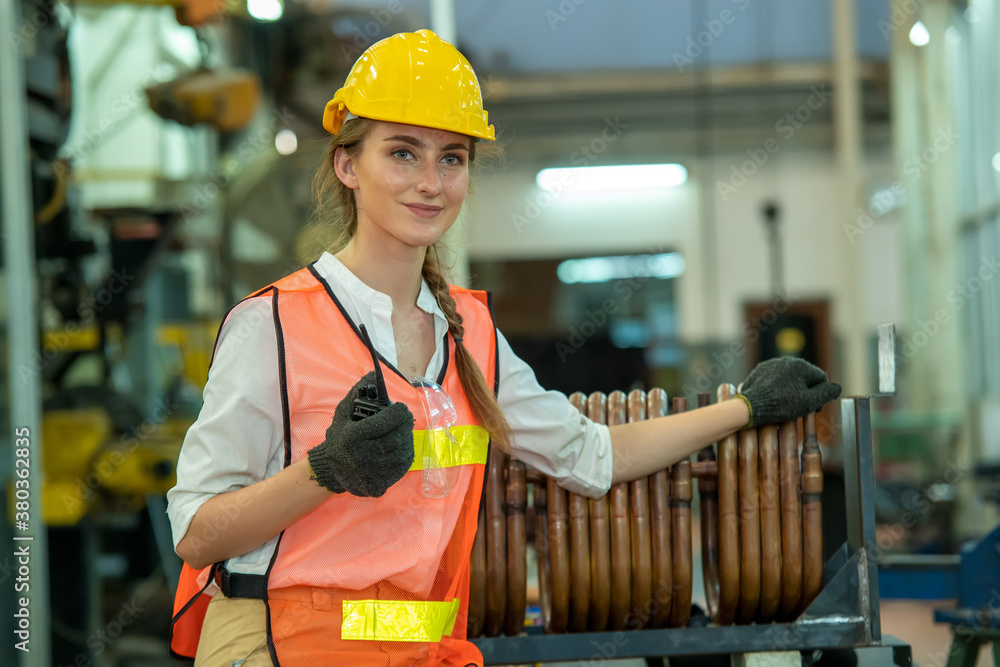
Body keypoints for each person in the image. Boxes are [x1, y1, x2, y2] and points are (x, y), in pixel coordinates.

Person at [166, 29, 841, 667]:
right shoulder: (274, 325)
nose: (430, 182)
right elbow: (198, 534)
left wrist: (745, 408)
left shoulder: (472, 336)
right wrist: (324, 470)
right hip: (273, 647)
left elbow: (591, 453)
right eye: (403, 151)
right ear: (347, 164)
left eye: (451, 158)